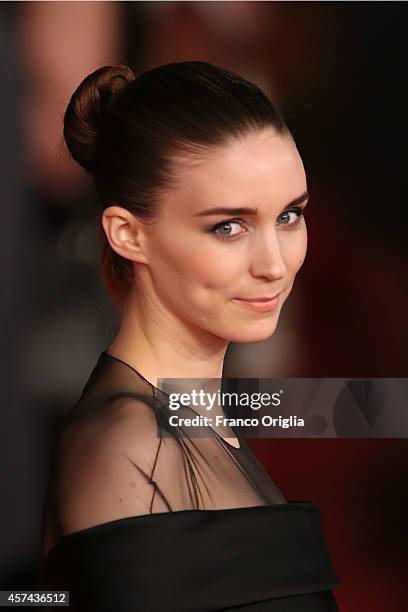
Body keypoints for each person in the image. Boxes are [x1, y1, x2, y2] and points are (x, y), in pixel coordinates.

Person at [40, 61, 339, 611]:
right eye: (229, 226)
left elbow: (360, 406)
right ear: (128, 234)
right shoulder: (132, 444)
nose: (274, 265)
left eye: (290, 216)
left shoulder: (201, 408)